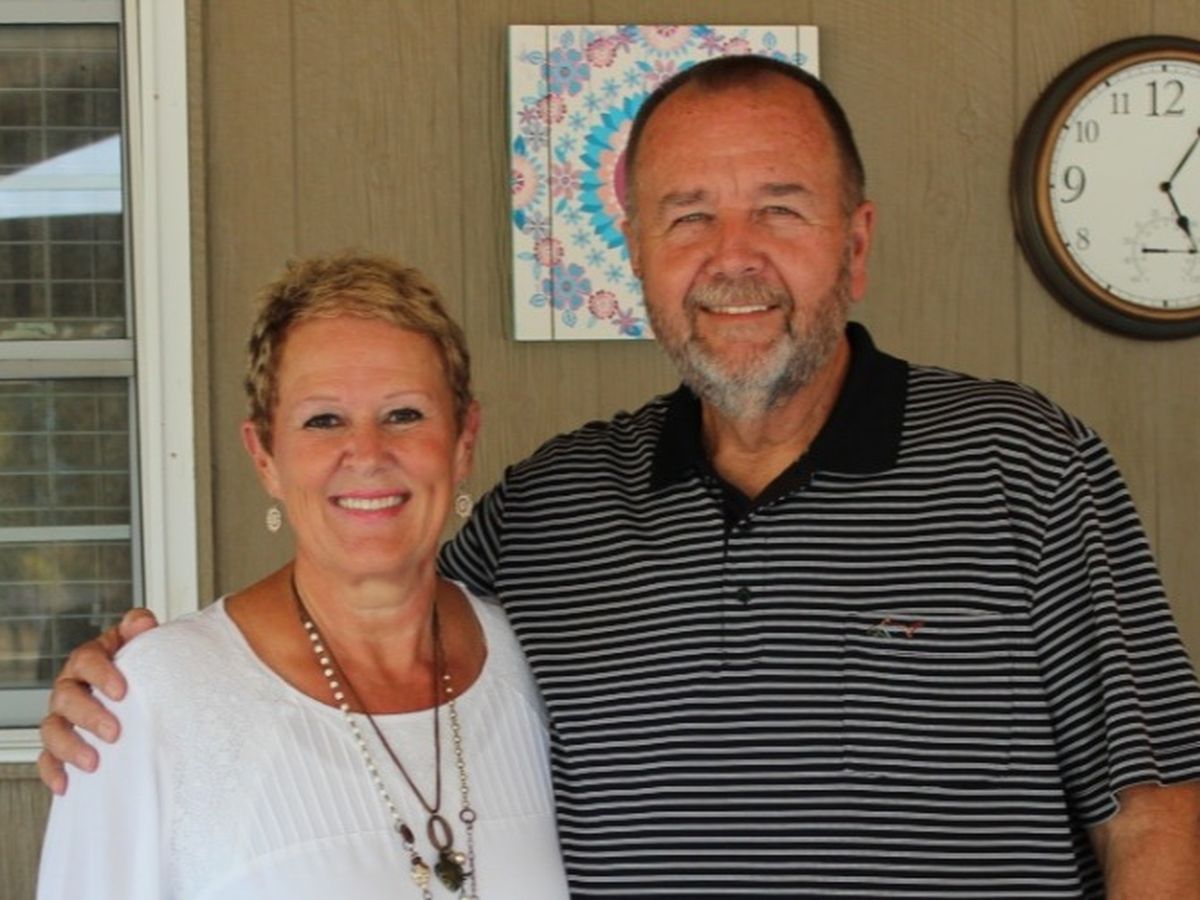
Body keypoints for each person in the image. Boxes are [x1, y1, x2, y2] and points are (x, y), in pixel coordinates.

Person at [40, 57, 1200, 899]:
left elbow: (1158, 815)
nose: (733, 258)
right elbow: (371, 580)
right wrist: (145, 683)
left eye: (779, 209)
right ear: (636, 253)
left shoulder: (1025, 466)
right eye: (688, 216)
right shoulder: (553, 510)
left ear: (854, 242)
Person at [36, 254, 570, 899]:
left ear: (464, 441)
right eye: (323, 420)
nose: (367, 454)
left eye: (405, 414)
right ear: (264, 455)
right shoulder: (150, 699)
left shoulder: (540, 669)